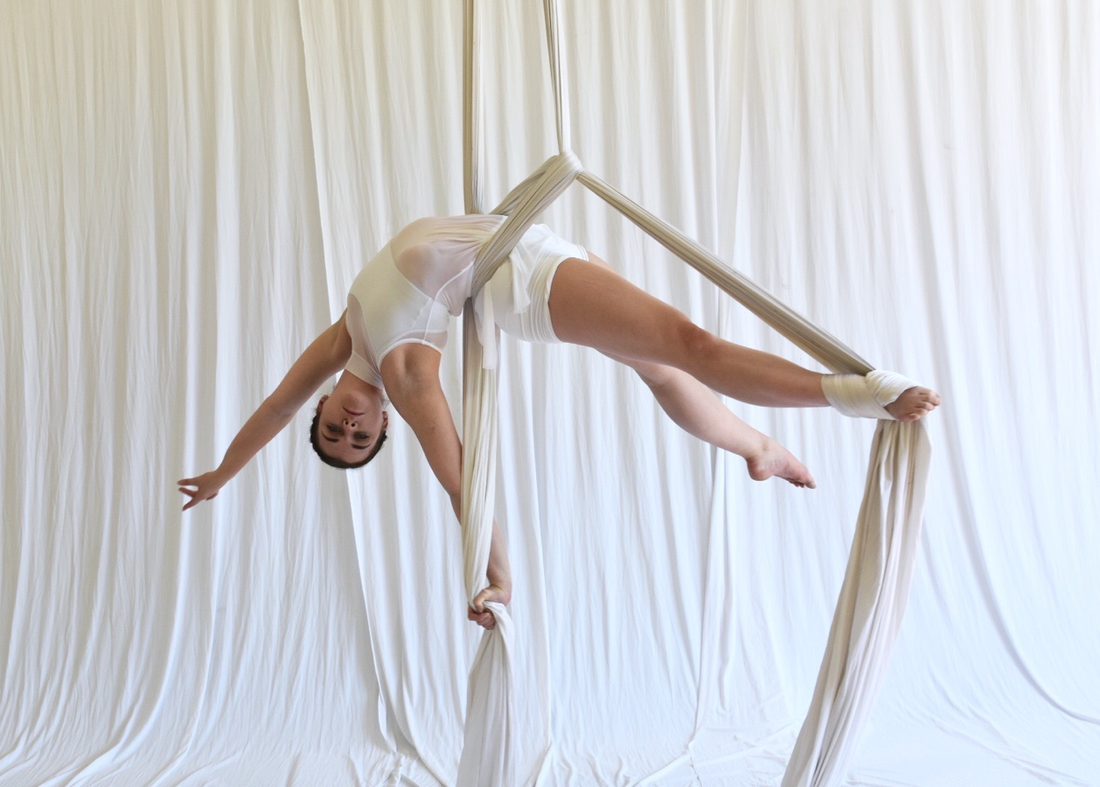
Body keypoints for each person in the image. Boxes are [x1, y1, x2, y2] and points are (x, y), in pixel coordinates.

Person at [179, 215, 941, 630]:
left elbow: (275, 404)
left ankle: (757, 446)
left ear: (326, 409)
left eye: (333, 430)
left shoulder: (350, 335)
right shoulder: (408, 377)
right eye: (362, 438)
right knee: (689, 344)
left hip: (525, 248)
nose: (348, 425)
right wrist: (496, 572)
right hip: (521, 278)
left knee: (664, 367)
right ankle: (858, 394)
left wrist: (222, 473)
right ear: (383, 427)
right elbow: (462, 481)